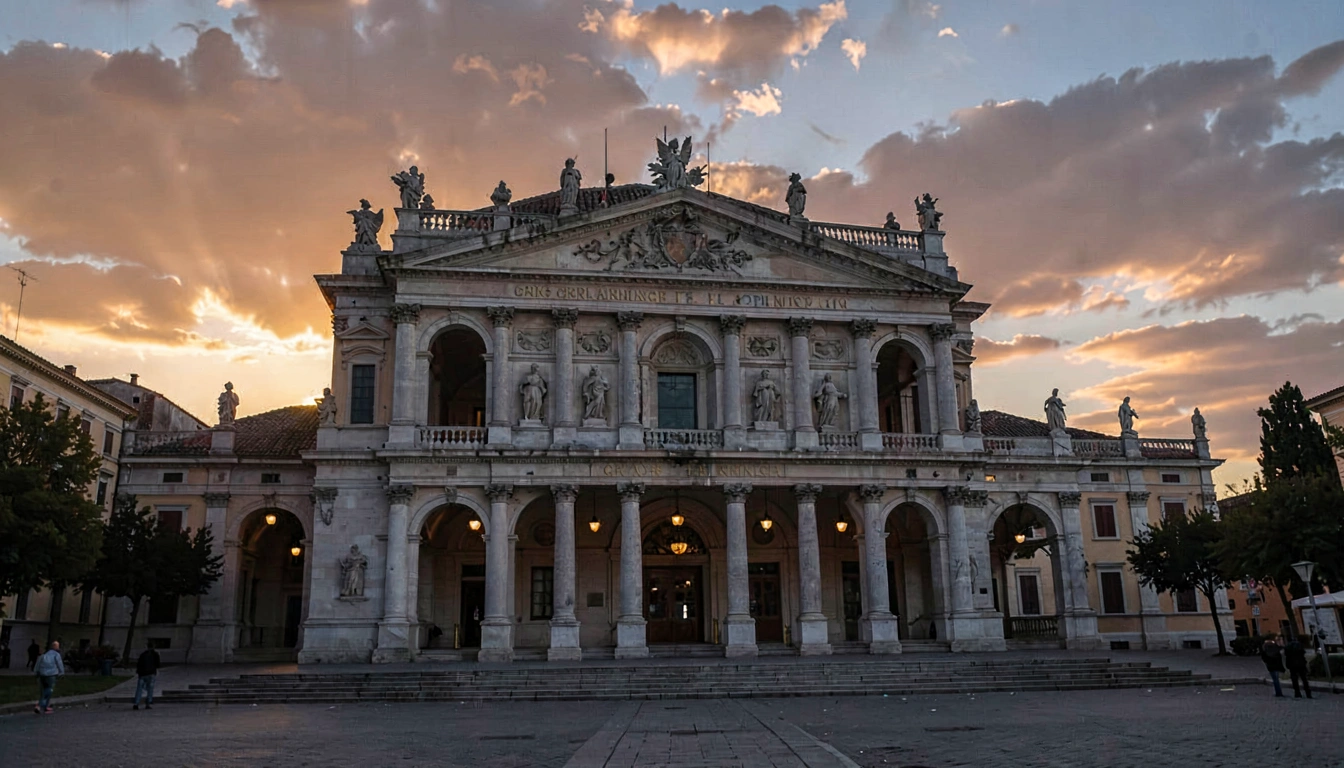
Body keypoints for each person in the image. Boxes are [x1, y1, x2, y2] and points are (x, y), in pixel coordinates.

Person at [34, 640, 64, 714]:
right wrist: (61, 673)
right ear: (56, 647)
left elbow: (38, 664)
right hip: (51, 675)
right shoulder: (56, 655)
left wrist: (36, 672)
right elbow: (59, 664)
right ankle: (40, 705)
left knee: (43, 690)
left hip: (42, 674)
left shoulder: (44, 654)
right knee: (49, 690)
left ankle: (45, 706)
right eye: (57, 646)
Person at [133, 640, 161, 710]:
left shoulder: (143, 654)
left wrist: (139, 672)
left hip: (142, 674)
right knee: (150, 689)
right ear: (154, 647)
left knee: (139, 689)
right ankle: (148, 703)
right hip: (151, 673)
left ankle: (136, 703)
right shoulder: (155, 654)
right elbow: (158, 665)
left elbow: (138, 664)